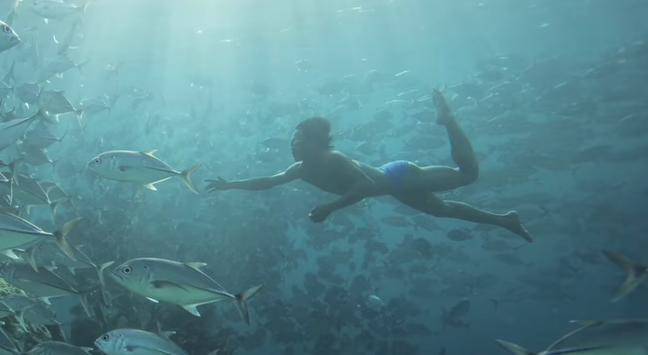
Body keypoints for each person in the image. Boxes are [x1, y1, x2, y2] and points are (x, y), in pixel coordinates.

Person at [205, 89, 533, 243]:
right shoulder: (301, 168)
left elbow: (364, 186)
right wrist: (229, 184)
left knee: (468, 175)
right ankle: (505, 220)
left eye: (299, 139)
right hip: (395, 188)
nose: (293, 144)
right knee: (443, 210)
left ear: (318, 143)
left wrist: (331, 207)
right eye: (292, 140)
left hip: (398, 176)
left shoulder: (332, 158)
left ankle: (447, 119)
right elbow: (268, 181)